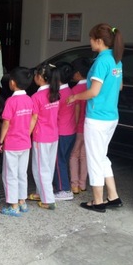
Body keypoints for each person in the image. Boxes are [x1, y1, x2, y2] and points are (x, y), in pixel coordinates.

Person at [67, 23, 124, 213]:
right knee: (101, 156)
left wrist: (75, 96)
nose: (90, 42)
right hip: (111, 116)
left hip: (97, 118)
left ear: (99, 41)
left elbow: (93, 91)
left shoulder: (101, 62)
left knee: (94, 158)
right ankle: (113, 196)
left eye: (91, 39)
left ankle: (98, 201)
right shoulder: (117, 60)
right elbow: (120, 86)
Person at [0, 67, 33, 216]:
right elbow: (32, 119)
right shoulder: (29, 100)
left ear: (12, 83)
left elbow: (5, 123)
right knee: (21, 173)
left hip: (12, 144)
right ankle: (22, 201)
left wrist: (0, 140)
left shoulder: (11, 101)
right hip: (25, 143)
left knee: (10, 175)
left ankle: (13, 205)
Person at [28, 63, 60, 210]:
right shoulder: (55, 93)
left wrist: (26, 133)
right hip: (54, 134)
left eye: (35, 75)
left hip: (41, 136)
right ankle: (41, 193)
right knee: (48, 167)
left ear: (40, 77)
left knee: (41, 168)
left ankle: (48, 199)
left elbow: (34, 118)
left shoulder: (36, 96)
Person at [53, 63, 76, 201]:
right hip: (71, 132)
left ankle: (64, 189)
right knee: (63, 160)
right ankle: (61, 186)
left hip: (61, 132)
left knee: (58, 161)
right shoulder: (70, 92)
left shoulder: (59, 95)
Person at [69, 57, 91, 195]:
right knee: (84, 155)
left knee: (73, 155)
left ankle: (74, 184)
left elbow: (76, 110)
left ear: (77, 73)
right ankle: (83, 184)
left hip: (79, 127)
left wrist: (75, 125)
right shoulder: (91, 86)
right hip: (89, 127)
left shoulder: (76, 89)